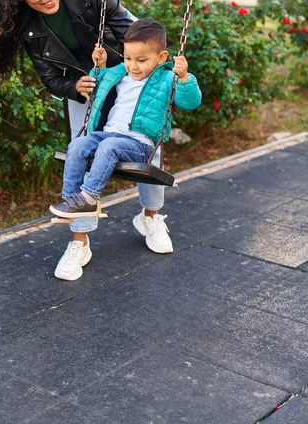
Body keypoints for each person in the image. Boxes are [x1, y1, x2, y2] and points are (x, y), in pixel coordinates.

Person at [0, 0, 171, 259]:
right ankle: (80, 241)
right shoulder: (29, 28)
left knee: (149, 148)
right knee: (82, 150)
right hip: (86, 92)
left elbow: (136, 34)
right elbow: (51, 79)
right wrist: (74, 85)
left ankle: (151, 218)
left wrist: (140, 72)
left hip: (130, 77)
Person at [50, 18, 202, 280]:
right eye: (129, 57)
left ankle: (88, 198)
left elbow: (190, 102)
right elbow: (98, 87)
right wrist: (98, 67)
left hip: (139, 144)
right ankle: (70, 201)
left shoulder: (167, 78)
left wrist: (185, 77)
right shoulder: (120, 72)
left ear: (161, 56)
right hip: (107, 134)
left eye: (141, 60)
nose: (133, 65)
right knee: (78, 145)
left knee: (109, 146)